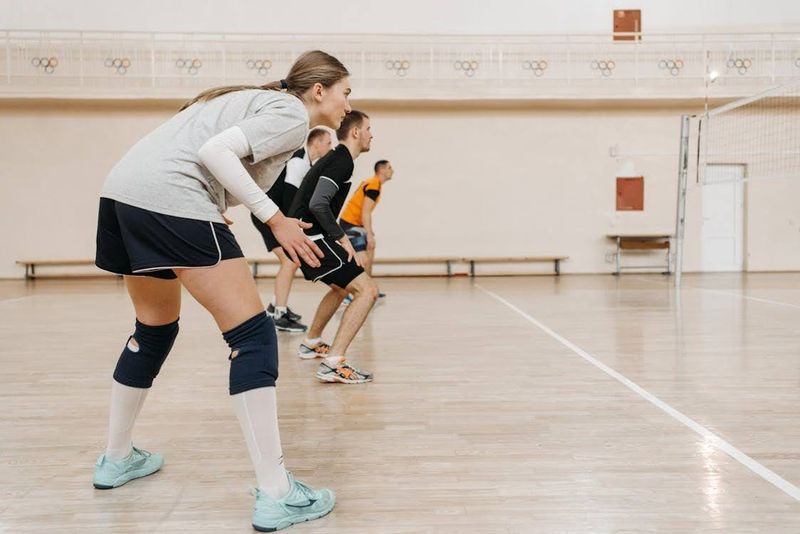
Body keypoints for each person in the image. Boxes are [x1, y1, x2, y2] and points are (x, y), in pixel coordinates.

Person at [92, 50, 351, 532]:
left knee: (153, 329)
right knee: (253, 337)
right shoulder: (291, 114)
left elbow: (204, 155)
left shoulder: (249, 100)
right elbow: (214, 154)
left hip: (123, 197)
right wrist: (273, 219)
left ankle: (116, 457)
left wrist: (214, 204)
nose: (347, 103)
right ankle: (277, 494)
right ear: (319, 90)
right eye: (345, 92)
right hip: (172, 200)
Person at [287, 110, 379, 384]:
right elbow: (318, 203)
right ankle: (334, 362)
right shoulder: (342, 161)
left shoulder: (336, 159)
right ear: (355, 132)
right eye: (368, 128)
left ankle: (312, 341)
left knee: (341, 289)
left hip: (308, 237)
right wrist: (342, 237)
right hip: (314, 238)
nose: (371, 134)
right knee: (367, 291)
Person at [250, 127, 333, 332]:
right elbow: (289, 198)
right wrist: (293, 227)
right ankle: (279, 314)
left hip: (273, 215)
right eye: (328, 143)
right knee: (290, 261)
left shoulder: (307, 163)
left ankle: (274, 307)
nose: (331, 148)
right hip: (269, 216)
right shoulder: (298, 161)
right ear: (316, 143)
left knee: (290, 261)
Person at [338, 159, 394, 298]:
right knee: (362, 258)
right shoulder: (373, 185)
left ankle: (368, 288)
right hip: (350, 224)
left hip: (357, 224)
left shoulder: (374, 183)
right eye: (389, 167)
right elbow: (365, 212)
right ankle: (352, 294)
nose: (392, 170)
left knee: (370, 251)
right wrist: (369, 235)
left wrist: (369, 231)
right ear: (381, 170)